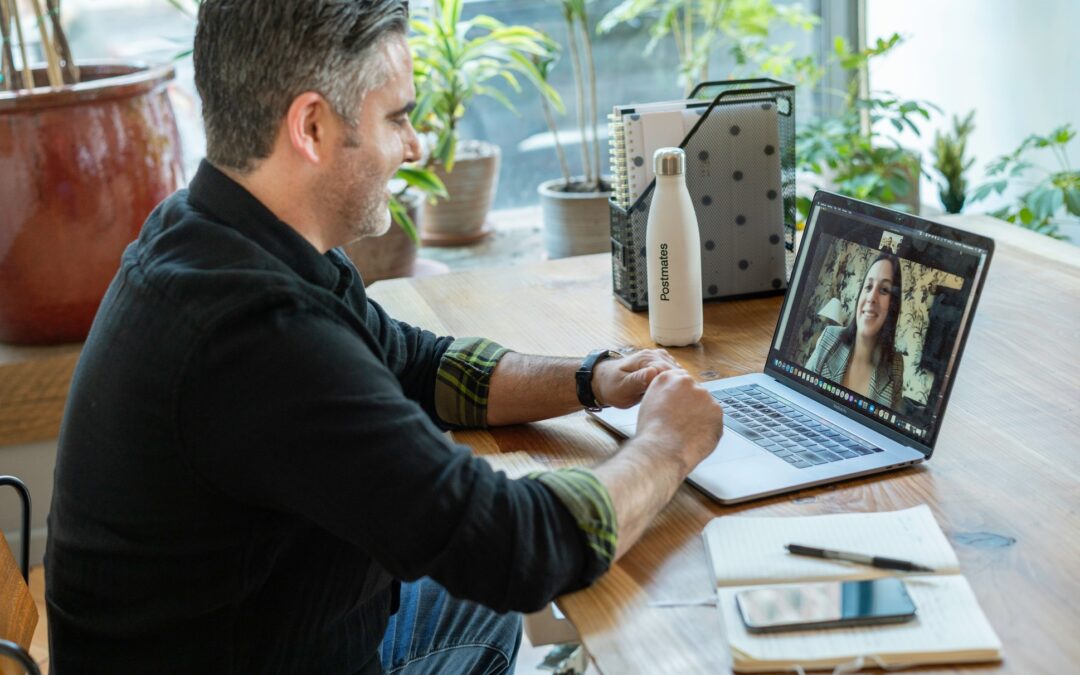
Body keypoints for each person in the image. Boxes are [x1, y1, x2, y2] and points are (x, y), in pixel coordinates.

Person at [43, 1, 726, 673]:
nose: (415, 144)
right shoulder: (257, 336)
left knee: (480, 602)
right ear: (311, 125)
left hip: (269, 628)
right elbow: (520, 549)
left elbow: (420, 366)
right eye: (397, 115)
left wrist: (591, 377)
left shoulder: (219, 232)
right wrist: (669, 443)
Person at [806, 253, 905, 408]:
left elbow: (891, 426)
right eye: (868, 287)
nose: (872, 297)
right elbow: (800, 393)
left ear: (893, 305)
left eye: (884, 290)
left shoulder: (896, 366)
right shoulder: (829, 337)